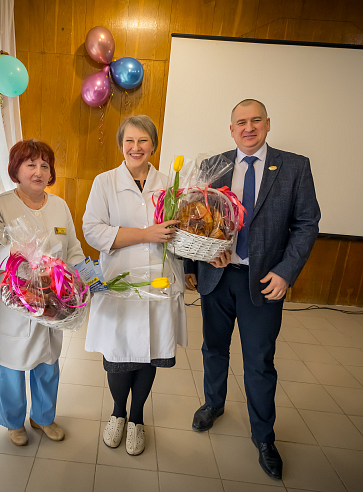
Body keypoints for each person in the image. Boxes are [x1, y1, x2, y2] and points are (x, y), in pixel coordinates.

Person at [185, 99, 320, 480]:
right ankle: (213, 404)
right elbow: (193, 218)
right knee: (213, 348)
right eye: (241, 122)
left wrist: (285, 272)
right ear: (231, 130)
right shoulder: (213, 165)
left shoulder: (294, 166)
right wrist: (198, 260)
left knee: (259, 362)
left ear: (268, 124)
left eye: (255, 120)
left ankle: (263, 437)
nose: (249, 127)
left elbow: (307, 224)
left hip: (263, 282)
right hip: (217, 278)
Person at [83, 115, 187, 456]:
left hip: (159, 282)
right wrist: (145, 234)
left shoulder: (170, 184)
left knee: (149, 354)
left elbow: (183, 232)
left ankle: (137, 417)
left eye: (143, 140)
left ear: (153, 145)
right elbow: (93, 231)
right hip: (120, 283)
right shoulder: (105, 182)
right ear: (121, 145)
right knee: (118, 355)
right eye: (129, 140)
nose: (136, 147)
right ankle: (118, 413)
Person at [0, 139, 85, 446]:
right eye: (30, 164)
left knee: (48, 363)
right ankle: (13, 422)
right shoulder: (1, 204)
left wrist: (82, 280)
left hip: (53, 301)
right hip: (16, 302)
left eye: (45, 165)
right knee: (12, 366)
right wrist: (14, 251)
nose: (39, 171)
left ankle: (43, 417)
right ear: (15, 170)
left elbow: (72, 248)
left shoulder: (59, 205)